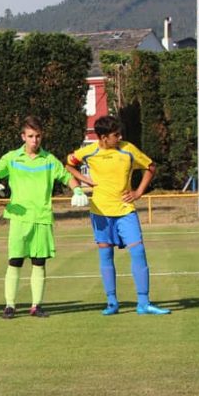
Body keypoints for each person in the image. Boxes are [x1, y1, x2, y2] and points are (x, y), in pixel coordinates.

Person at [0, 116, 89, 319]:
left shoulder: (49, 160)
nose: (35, 140)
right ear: (23, 137)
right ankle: (10, 305)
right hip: (19, 217)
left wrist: (77, 190)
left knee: (39, 262)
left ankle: (36, 306)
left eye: (38, 136)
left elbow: (67, 176)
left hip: (42, 217)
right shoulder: (12, 158)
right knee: (15, 260)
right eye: (31, 136)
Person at [66, 115, 169, 315]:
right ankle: (112, 302)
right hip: (100, 212)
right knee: (106, 255)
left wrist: (138, 192)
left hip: (125, 210)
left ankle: (143, 303)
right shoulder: (89, 151)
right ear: (103, 137)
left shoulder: (127, 149)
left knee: (138, 251)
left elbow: (150, 167)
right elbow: (69, 164)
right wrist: (83, 179)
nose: (120, 137)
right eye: (116, 134)